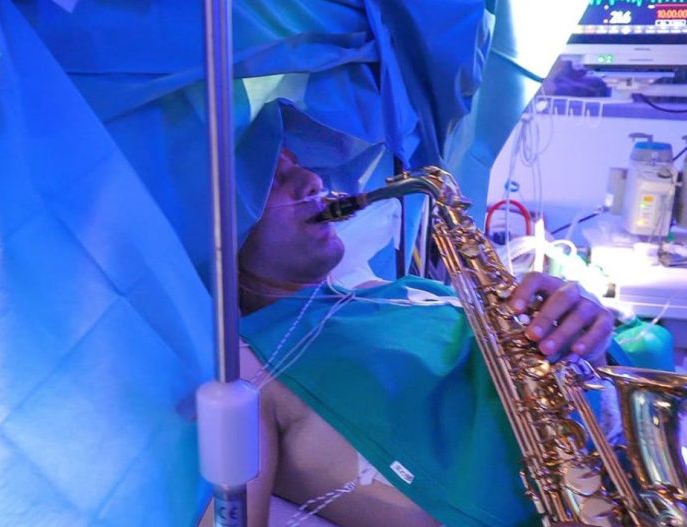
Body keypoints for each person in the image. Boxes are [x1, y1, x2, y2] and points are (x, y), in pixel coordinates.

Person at [200, 149, 615, 527]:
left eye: (296, 162)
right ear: (212, 233)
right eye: (270, 177)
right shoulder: (248, 368)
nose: (310, 179)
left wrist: (580, 335)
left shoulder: (409, 290)